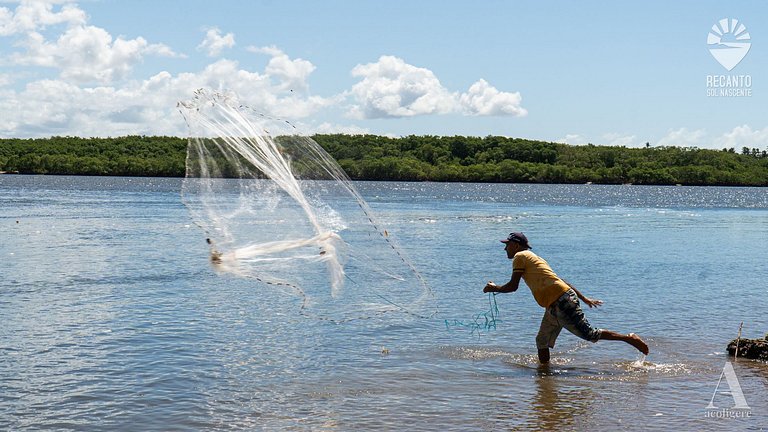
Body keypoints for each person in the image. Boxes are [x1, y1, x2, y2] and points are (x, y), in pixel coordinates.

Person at [483, 232, 649, 364]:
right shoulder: (534, 257)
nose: (505, 249)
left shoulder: (520, 256)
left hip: (561, 302)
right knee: (541, 340)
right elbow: (560, 280)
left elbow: (513, 286)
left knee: (590, 334)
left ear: (516, 245)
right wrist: (584, 298)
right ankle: (544, 374)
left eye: (507, 245)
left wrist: (493, 288)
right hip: (555, 303)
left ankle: (629, 338)